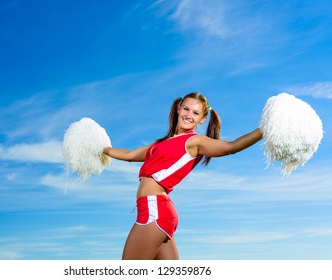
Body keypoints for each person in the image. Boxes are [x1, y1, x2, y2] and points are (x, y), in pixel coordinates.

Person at [103, 92, 262, 260]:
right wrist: (100, 147)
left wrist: (265, 129)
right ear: (178, 109)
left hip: (154, 210)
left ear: (202, 119)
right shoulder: (160, 144)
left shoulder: (194, 142)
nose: (189, 115)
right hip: (158, 211)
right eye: (186, 109)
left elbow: (231, 147)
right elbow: (129, 155)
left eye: (195, 113)